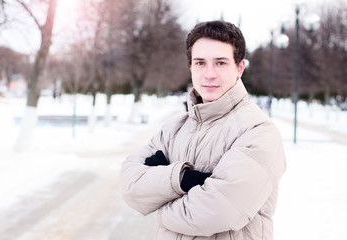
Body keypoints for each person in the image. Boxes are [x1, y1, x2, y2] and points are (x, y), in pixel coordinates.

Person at [120, 20, 286, 240]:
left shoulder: (258, 131)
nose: (209, 74)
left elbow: (218, 211)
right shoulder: (174, 129)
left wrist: (160, 204)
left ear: (239, 68)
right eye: (200, 63)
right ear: (190, 67)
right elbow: (130, 186)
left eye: (220, 63)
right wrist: (182, 179)